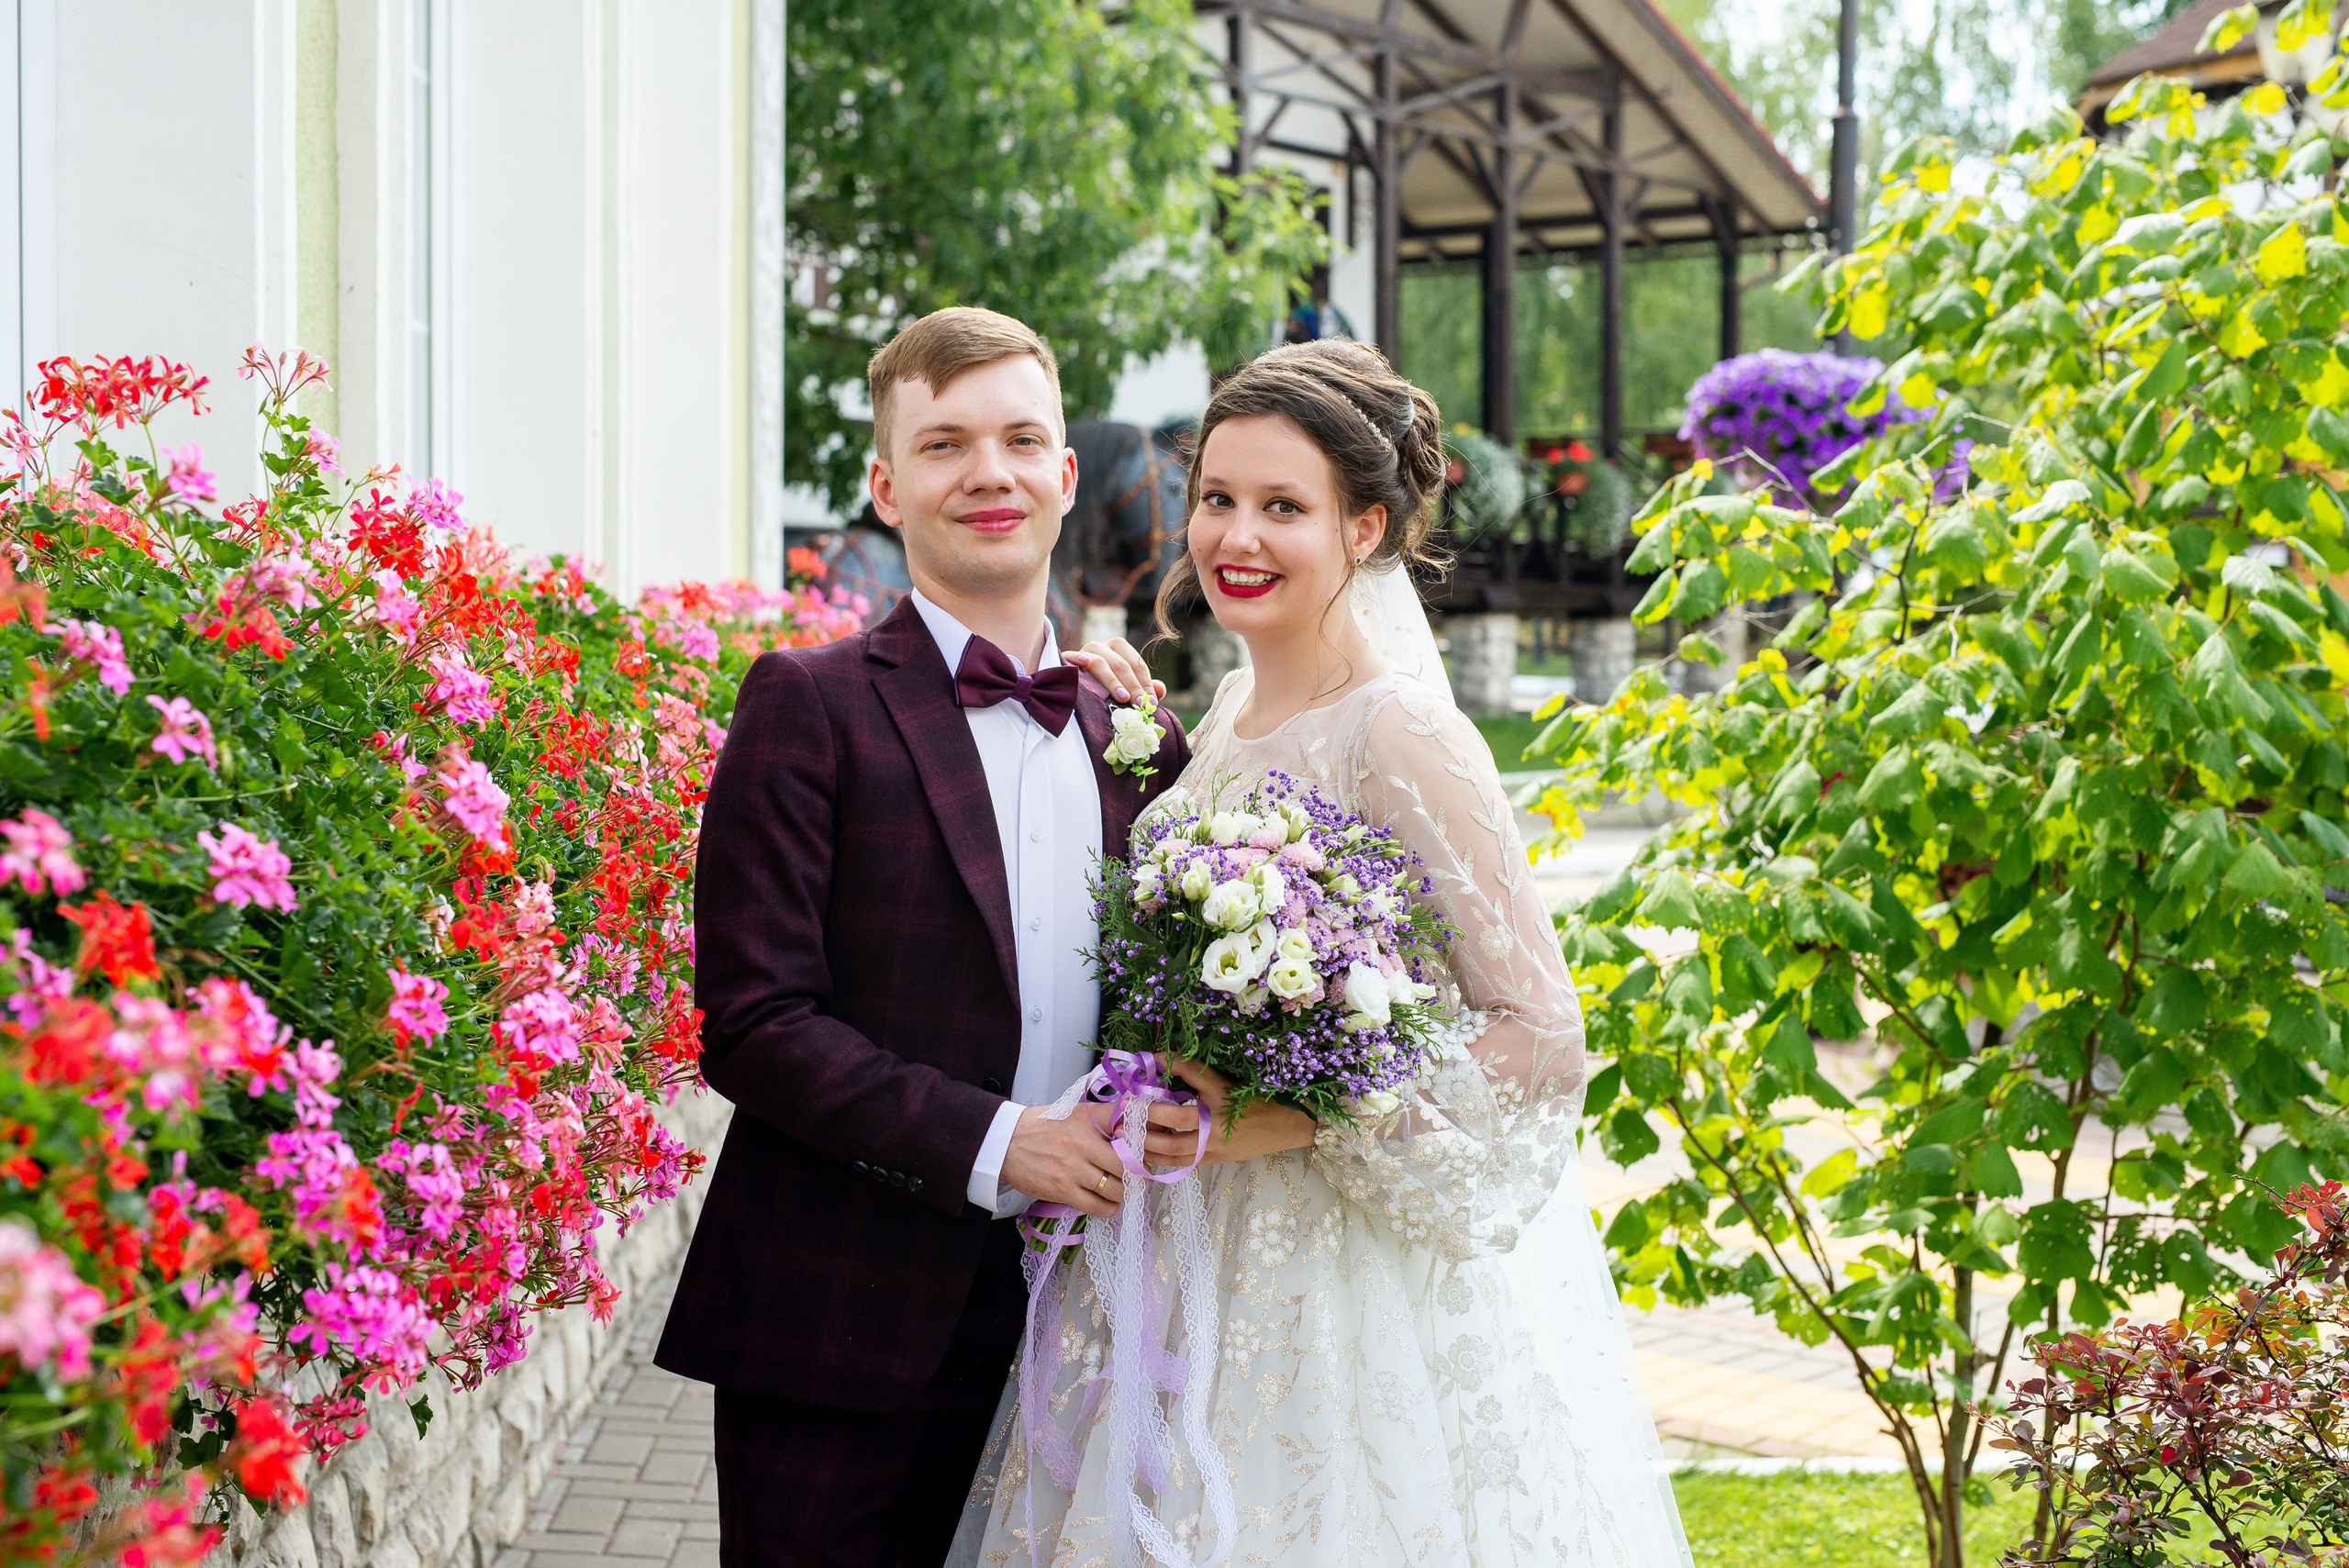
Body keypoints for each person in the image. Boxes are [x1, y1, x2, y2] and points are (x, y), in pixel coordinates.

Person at [952, 339, 1692, 1566]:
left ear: (1367, 526)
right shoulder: (1231, 714)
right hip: (1183, 1242)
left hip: (1345, 1285)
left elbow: (1541, 1032)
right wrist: (1138, 740)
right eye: (1217, 497)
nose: (1235, 536)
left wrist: (1294, 1117)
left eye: (1282, 506)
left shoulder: (1403, 731)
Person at [655, 306, 1188, 1567]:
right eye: (944, 445)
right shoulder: (807, 704)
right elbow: (756, 1022)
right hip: (842, 1314)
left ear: (1065, 475)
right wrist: (1010, 1144)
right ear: (889, 487)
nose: (987, 473)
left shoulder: (1144, 739)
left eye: (1019, 440)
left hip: (1088, 1321)